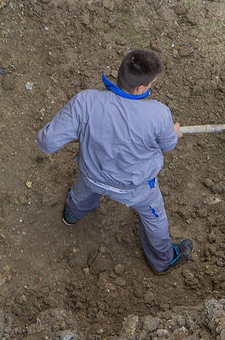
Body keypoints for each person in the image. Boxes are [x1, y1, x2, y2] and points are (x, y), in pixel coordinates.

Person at [37, 49, 193, 274]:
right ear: (141, 88)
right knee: (155, 217)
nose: (151, 88)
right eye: (151, 84)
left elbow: (47, 142)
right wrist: (173, 132)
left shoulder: (86, 101)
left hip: (91, 175)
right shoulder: (158, 114)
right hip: (135, 187)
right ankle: (163, 260)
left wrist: (80, 129)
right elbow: (168, 145)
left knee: (81, 194)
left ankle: (71, 215)